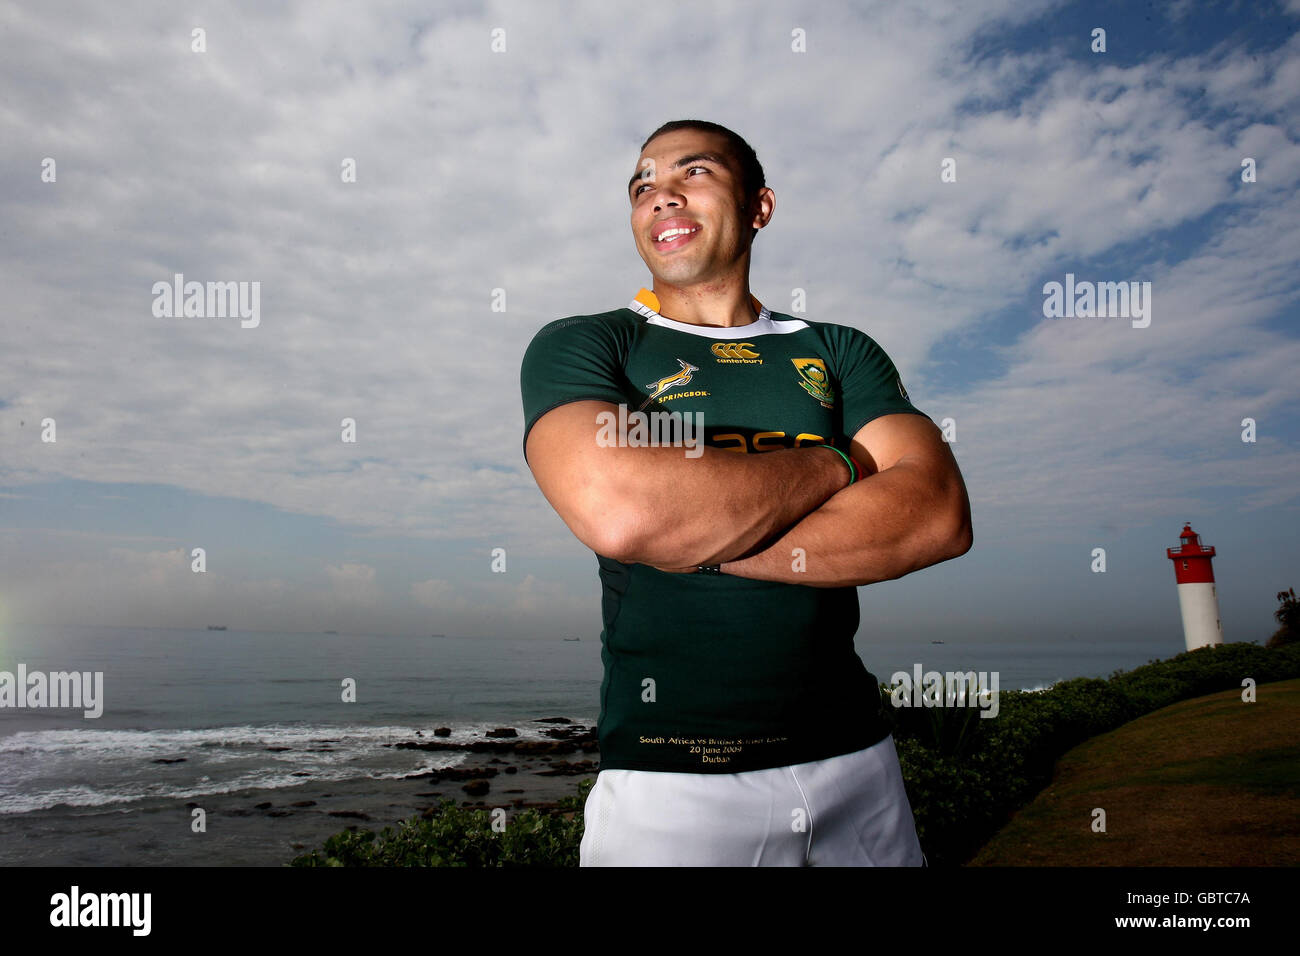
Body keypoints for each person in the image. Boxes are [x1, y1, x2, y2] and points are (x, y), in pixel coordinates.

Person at [519, 119, 972, 866]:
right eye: (641, 185)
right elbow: (622, 512)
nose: (659, 195)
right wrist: (839, 465)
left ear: (760, 206)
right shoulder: (588, 344)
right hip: (674, 779)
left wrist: (697, 537)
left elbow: (937, 516)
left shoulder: (838, 350)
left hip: (858, 758)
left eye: (691, 173)